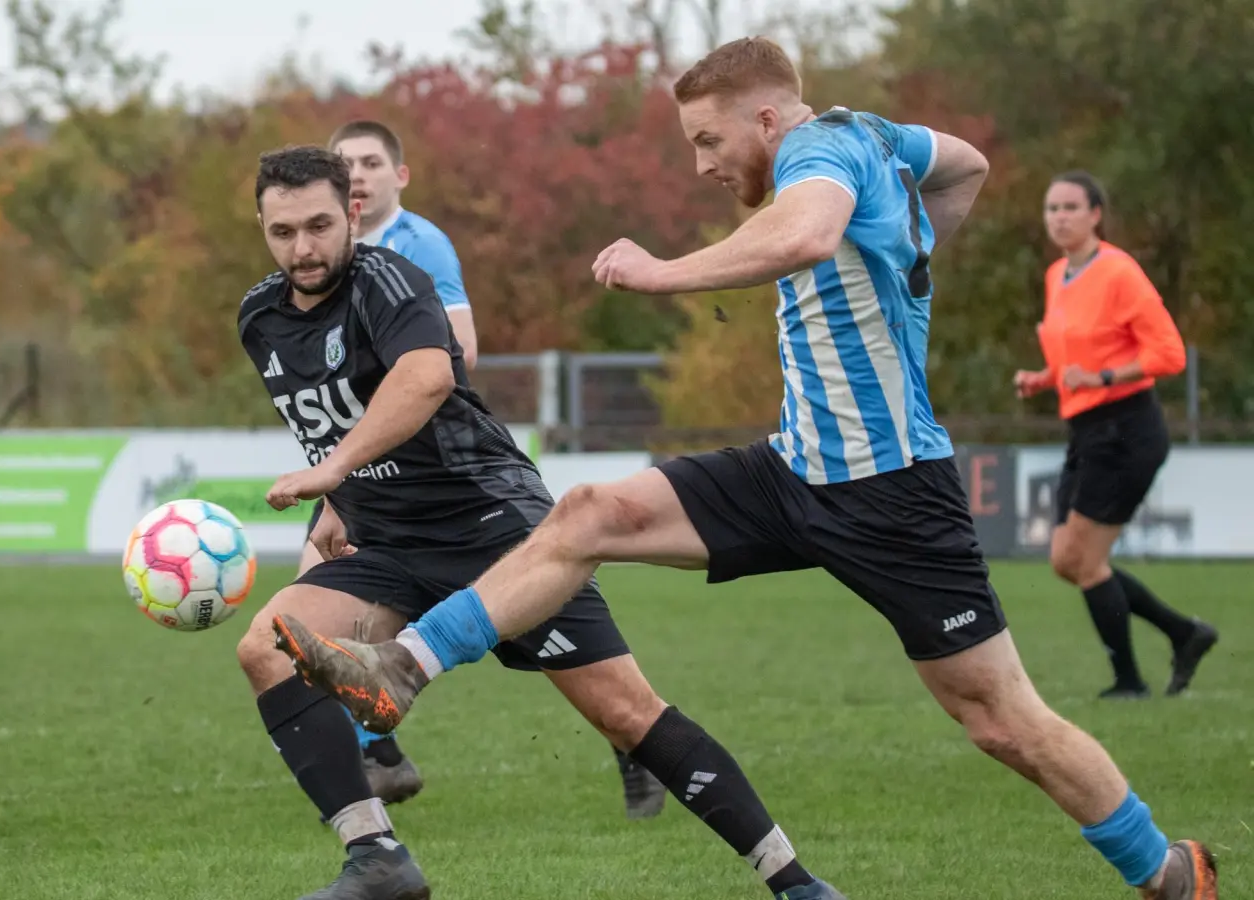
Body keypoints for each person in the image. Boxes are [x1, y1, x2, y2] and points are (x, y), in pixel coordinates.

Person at [271, 37, 1220, 900]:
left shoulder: (820, 152)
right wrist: (915, 246)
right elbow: (966, 164)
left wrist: (661, 271)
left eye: (707, 139)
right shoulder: (875, 140)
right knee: (589, 513)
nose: (703, 163)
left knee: (1003, 721)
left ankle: (1167, 871)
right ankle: (404, 665)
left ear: (767, 117)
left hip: (893, 497)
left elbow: (804, 235)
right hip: (793, 468)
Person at [239, 145, 842, 900]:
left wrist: (331, 473)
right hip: (388, 544)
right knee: (268, 647)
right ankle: (376, 859)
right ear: (261, 227)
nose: (303, 248)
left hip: (496, 528)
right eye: (283, 231)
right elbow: (341, 415)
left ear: (354, 214)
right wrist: (339, 496)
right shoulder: (258, 317)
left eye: (319, 225)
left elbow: (424, 378)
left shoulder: (390, 283)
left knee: (627, 715)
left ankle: (795, 882)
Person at [300, 120, 667, 818]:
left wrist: (383, 404)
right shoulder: (322, 263)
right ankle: (377, 760)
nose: (358, 175)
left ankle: (633, 739)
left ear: (399, 176)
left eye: (371, 162)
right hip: (367, 478)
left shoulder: (419, 245)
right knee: (310, 614)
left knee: (547, 627)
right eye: (344, 164)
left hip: (448, 478)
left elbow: (456, 345)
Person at [1014, 171, 1219, 699]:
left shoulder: (1119, 272)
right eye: (1051, 208)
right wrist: (1046, 376)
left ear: (1095, 214)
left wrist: (1104, 377)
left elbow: (1168, 354)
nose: (1059, 217)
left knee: (1084, 562)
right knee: (1066, 560)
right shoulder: (1057, 274)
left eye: (1070, 207)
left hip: (1127, 429)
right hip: (1086, 430)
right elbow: (1079, 355)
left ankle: (1129, 681)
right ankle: (1183, 632)